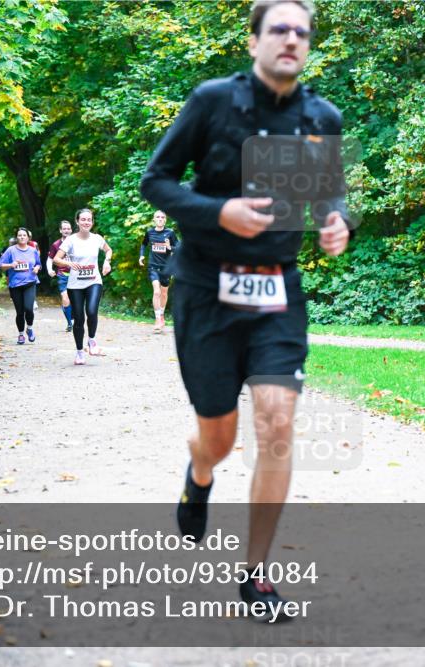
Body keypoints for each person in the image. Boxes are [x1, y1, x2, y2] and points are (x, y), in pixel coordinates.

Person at [140, 0, 350, 621]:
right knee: (219, 438)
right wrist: (218, 212)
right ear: (254, 40)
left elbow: (330, 191)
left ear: (308, 46)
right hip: (206, 289)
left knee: (278, 424)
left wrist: (337, 220)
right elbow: (156, 180)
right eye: (279, 29)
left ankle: (256, 576)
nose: (291, 39)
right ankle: (199, 474)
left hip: (277, 292)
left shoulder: (321, 117)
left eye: (301, 32)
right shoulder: (212, 102)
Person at [50, 208, 113, 365]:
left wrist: (107, 261)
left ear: (92, 222)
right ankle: (79, 353)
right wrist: (69, 263)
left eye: (89, 219)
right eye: (83, 219)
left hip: (94, 281)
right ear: (77, 221)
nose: (86, 222)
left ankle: (92, 341)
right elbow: (56, 259)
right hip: (75, 284)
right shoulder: (70, 240)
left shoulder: (97, 238)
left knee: (91, 311)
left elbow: (108, 250)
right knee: (79, 318)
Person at [0, 228, 41, 345]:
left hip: (30, 282)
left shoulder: (33, 251)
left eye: (24, 235)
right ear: (16, 237)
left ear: (28, 238)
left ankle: (29, 328)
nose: (22, 237)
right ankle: (21, 334)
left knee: (29, 309)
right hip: (15, 285)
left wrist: (37, 268)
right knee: (20, 312)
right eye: (19, 235)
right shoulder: (10, 250)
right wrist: (11, 265)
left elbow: (38, 264)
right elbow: (0, 265)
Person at [138, 210, 178, 332]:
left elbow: (178, 248)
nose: (160, 219)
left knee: (164, 293)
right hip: (153, 266)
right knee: (156, 291)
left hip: (166, 267)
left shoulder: (170, 233)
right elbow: (144, 244)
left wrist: (169, 247)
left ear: (165, 220)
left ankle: (161, 315)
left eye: (162, 217)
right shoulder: (149, 232)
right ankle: (157, 318)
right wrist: (141, 256)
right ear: (154, 219)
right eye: (158, 217)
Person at [47, 220, 75, 332]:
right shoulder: (56, 245)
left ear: (71, 230)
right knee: (65, 298)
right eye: (64, 229)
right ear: (60, 230)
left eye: (68, 228)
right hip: (63, 275)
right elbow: (50, 259)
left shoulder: (77, 242)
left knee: (75, 299)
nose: (66, 230)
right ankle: (70, 323)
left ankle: (73, 317)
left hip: (76, 275)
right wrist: (50, 269)